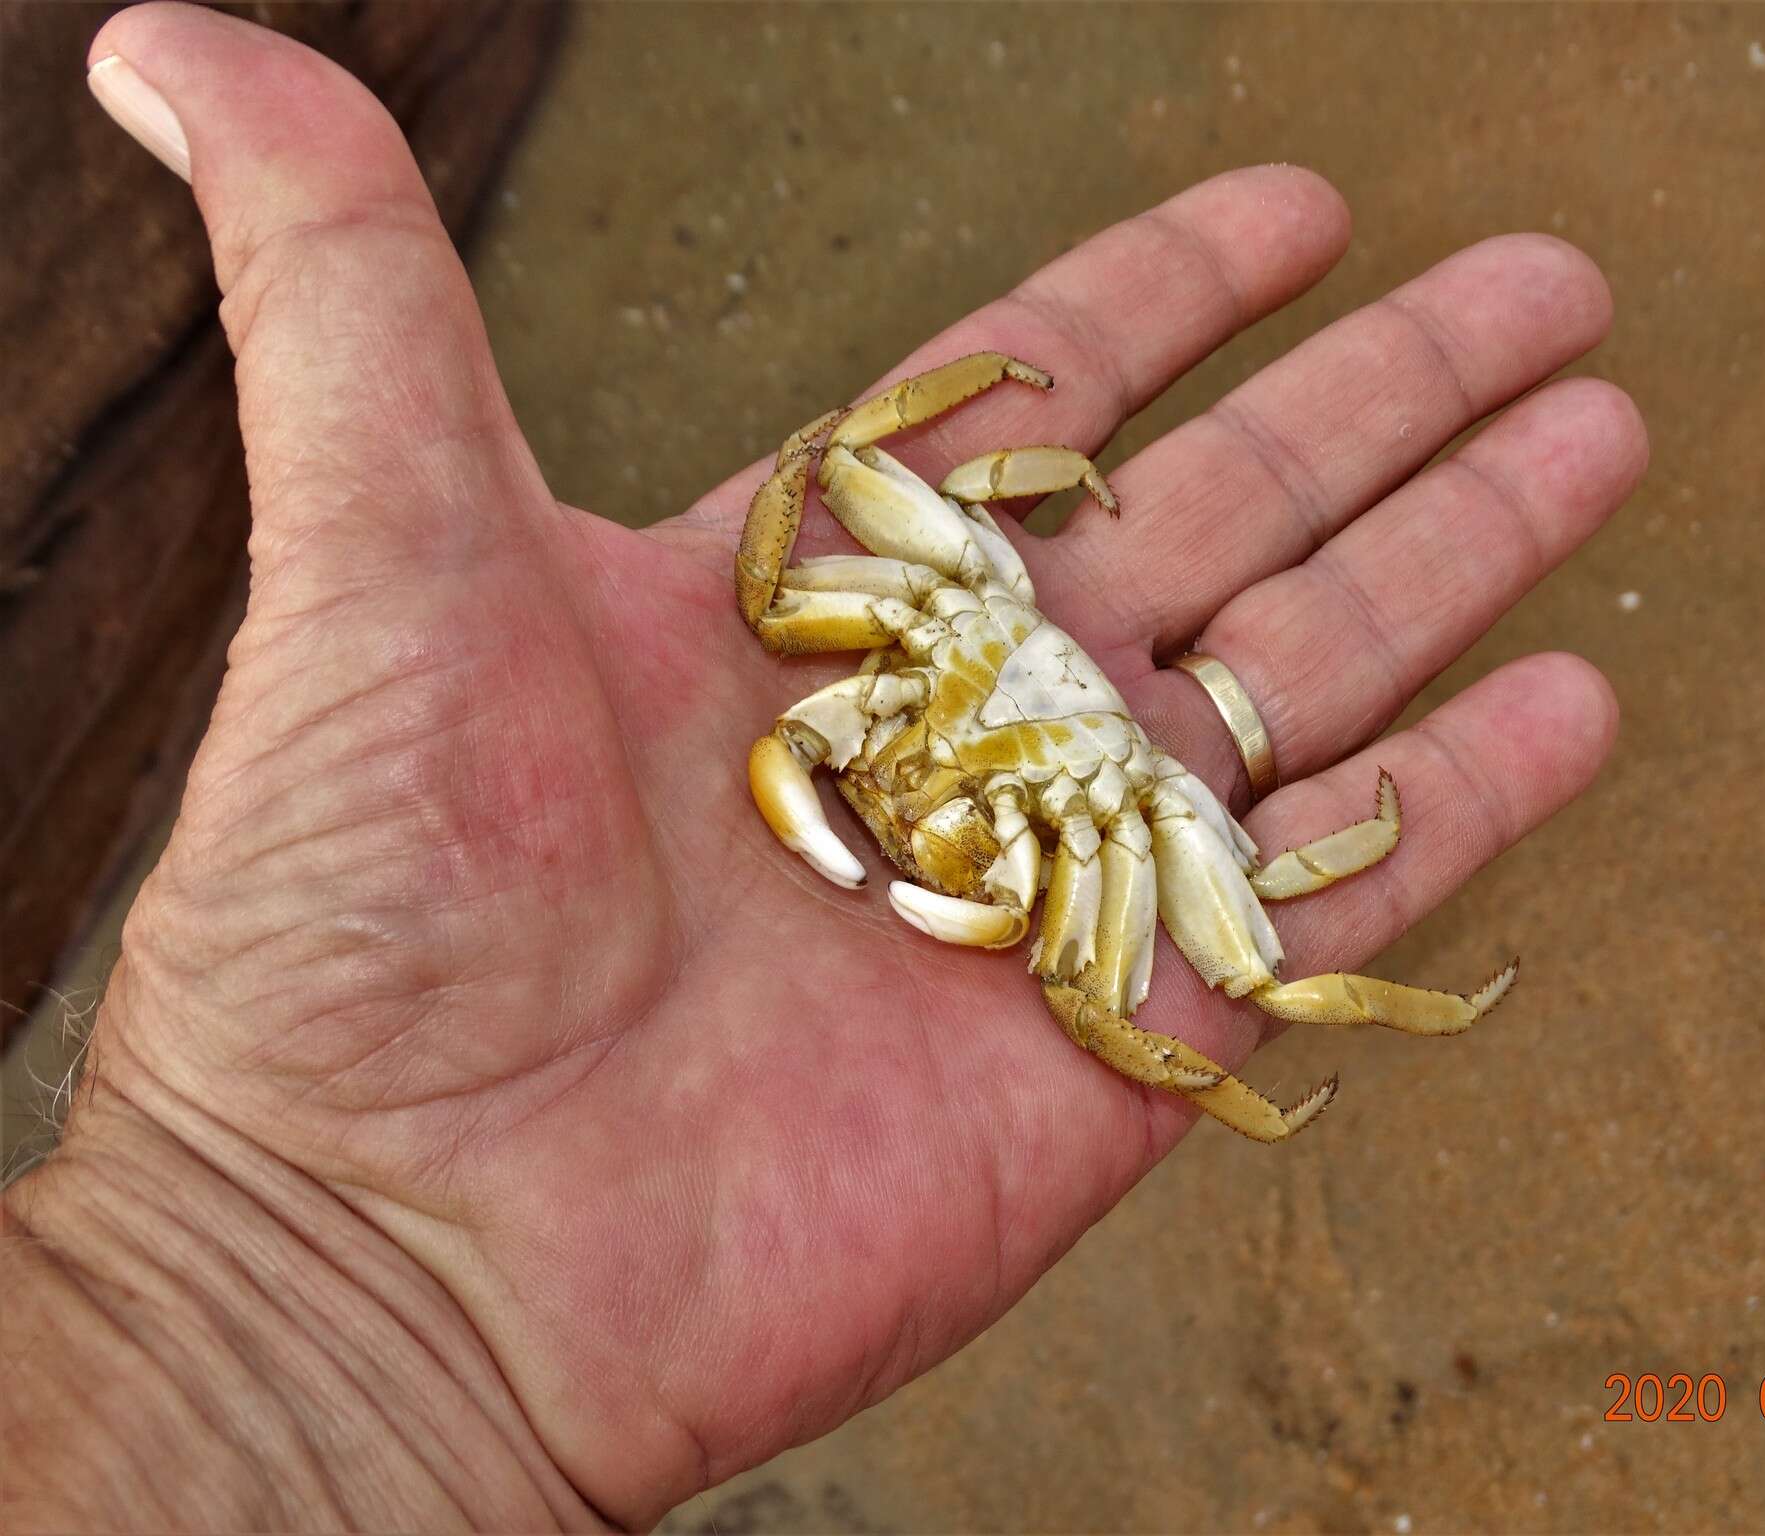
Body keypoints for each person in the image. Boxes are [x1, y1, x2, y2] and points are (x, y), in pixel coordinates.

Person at [4, 4, 1645, 1530]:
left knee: (1205, 962)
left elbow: (1172, 943)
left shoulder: (1104, 810)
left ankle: (1400, 999)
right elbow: (809, 524)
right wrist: (236, 1241)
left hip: (1018, 674)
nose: (904, 827)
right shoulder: (936, 669)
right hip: (976, 636)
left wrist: (234, 1256)